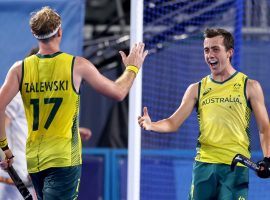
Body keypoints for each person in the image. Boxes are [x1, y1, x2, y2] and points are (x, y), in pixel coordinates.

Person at [0, 6, 147, 200]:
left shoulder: (19, 69)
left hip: (35, 160)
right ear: (60, 31)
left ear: (35, 35)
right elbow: (118, 92)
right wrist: (132, 69)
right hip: (63, 160)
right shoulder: (77, 65)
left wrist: (4, 148)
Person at [138, 28, 270, 199]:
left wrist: (268, 158)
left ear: (229, 52)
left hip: (235, 167)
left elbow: (264, 127)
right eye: (206, 50)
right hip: (204, 167)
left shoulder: (249, 86)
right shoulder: (196, 89)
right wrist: (151, 125)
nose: (210, 55)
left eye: (216, 49)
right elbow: (173, 123)